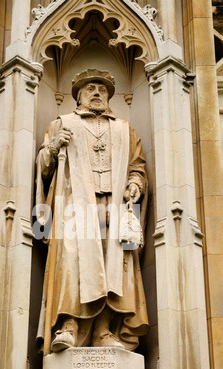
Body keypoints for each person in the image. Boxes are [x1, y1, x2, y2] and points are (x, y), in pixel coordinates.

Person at [35, 69, 149, 354]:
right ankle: (69, 327)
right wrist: (51, 147)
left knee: (114, 266)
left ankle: (103, 331)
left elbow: (137, 167)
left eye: (102, 88)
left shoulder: (125, 128)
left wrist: (135, 184)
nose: (97, 92)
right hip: (74, 206)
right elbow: (44, 169)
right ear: (78, 96)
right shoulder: (62, 123)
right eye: (90, 88)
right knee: (73, 264)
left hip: (114, 206)